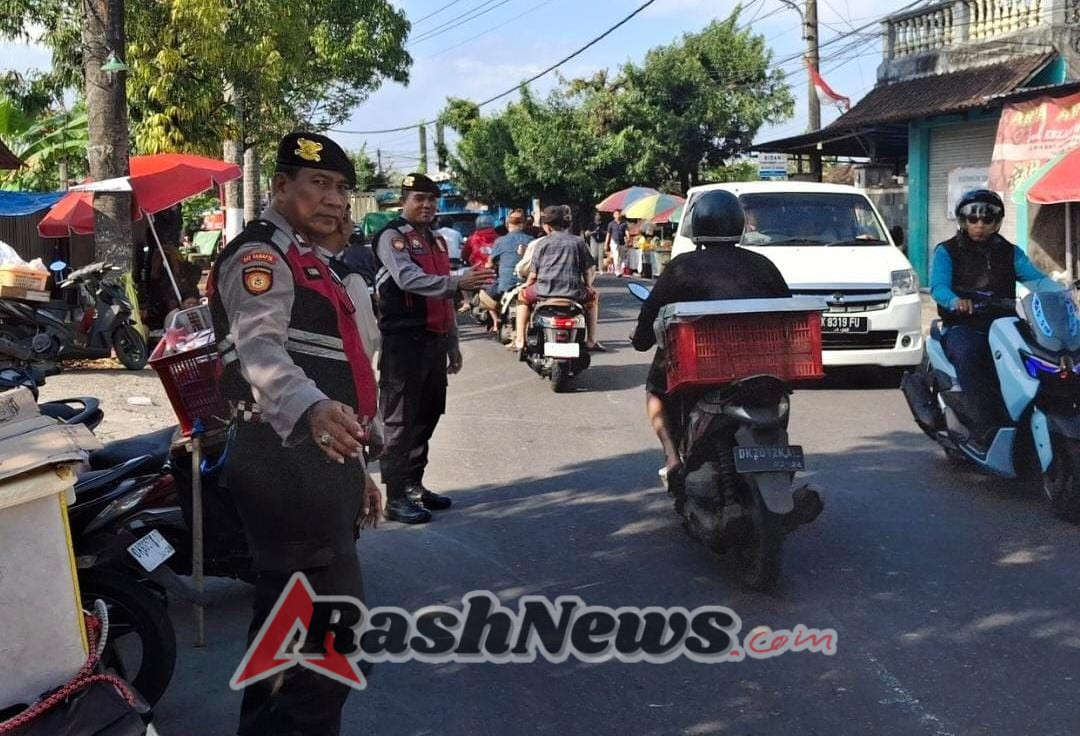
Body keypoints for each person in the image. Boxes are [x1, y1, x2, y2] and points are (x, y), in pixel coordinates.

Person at [208, 131, 382, 736]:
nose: (335, 199)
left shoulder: (312, 261)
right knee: (325, 647)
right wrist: (310, 411)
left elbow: (345, 369)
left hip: (317, 466)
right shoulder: (260, 257)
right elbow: (260, 350)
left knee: (284, 630)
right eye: (318, 184)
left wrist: (358, 470)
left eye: (341, 188)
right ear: (280, 187)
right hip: (285, 466)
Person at [631, 189, 791, 487]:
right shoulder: (763, 265)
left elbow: (649, 315)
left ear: (696, 226)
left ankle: (672, 458)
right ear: (739, 225)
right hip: (758, 365)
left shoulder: (681, 267)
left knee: (655, 390)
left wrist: (641, 339)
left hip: (700, 365)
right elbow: (785, 311)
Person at [372, 173, 495, 524]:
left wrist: (453, 342)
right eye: (418, 198)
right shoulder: (392, 237)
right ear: (404, 200)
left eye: (431, 199)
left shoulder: (437, 241)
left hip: (434, 341)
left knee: (427, 416)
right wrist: (457, 281)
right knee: (399, 421)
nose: (426, 205)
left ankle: (414, 486)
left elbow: (446, 299)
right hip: (403, 343)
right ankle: (395, 497)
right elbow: (406, 279)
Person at [930, 188, 1064, 449]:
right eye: (973, 219)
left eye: (987, 219)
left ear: (997, 222)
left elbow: (1036, 280)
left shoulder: (1009, 252)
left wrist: (1063, 293)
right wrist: (955, 301)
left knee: (1038, 355)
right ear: (963, 220)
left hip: (1003, 323)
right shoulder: (947, 251)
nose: (979, 225)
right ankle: (983, 425)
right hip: (964, 324)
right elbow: (938, 287)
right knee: (971, 356)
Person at [514, 205, 606, 352]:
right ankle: (591, 340)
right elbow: (588, 271)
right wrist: (588, 285)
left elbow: (533, 275)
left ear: (548, 227)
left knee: (522, 298)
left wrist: (526, 285)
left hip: (543, 292)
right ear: (567, 224)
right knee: (593, 297)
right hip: (574, 293)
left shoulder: (541, 243)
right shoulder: (579, 242)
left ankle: (519, 340)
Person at [478, 209, 530, 332]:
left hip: (505, 285)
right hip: (528, 285)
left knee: (484, 294)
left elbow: (490, 264)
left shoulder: (500, 241)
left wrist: (488, 265)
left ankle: (496, 321)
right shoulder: (532, 240)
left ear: (507, 224)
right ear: (524, 224)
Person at [605, 208, 630, 276]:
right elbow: (608, 234)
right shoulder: (611, 224)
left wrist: (628, 238)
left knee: (621, 257)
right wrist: (606, 243)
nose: (617, 215)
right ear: (613, 215)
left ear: (620, 215)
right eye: (616, 214)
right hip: (614, 241)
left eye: (618, 214)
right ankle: (617, 270)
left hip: (622, 242)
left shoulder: (624, 224)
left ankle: (619, 268)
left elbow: (627, 231)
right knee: (616, 256)